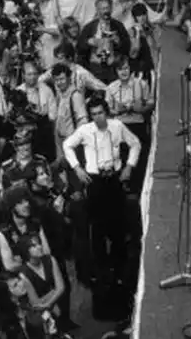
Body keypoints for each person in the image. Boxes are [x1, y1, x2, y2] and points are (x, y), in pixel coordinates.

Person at [61, 97, 140, 280]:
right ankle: (101, 271)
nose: (98, 118)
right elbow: (67, 145)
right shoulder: (85, 131)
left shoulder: (117, 126)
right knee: (97, 227)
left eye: (100, 113)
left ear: (107, 112)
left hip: (114, 179)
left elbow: (135, 143)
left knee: (118, 224)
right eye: (94, 114)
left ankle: (120, 269)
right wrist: (77, 168)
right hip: (95, 181)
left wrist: (129, 166)